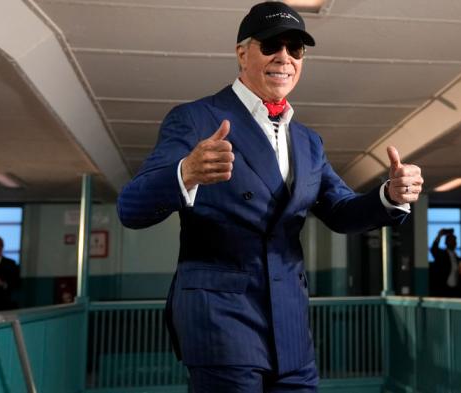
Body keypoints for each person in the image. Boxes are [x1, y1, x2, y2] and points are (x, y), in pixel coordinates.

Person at [116, 2, 424, 391]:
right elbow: (130, 208)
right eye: (271, 46)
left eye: (295, 49)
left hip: (290, 325)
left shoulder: (309, 142)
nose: (284, 57)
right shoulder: (195, 118)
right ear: (242, 53)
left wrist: (389, 196)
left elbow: (341, 210)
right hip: (221, 319)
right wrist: (185, 173)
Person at [429, 228, 460, 297]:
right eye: (450, 240)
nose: (453, 242)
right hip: (442, 290)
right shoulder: (441, 255)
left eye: (454, 241)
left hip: (455, 291)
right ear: (446, 242)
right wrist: (439, 235)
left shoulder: (457, 258)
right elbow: (434, 249)